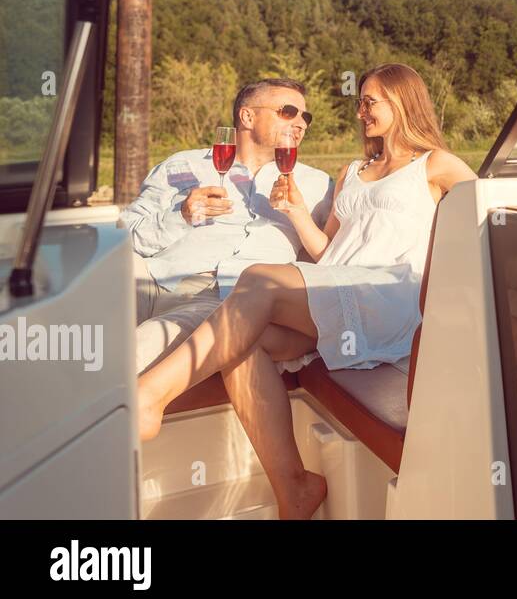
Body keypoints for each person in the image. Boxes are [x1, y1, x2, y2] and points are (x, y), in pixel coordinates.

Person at [135, 63, 477, 519]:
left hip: (388, 293)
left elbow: (488, 215)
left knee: (258, 275)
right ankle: (294, 488)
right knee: (244, 344)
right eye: (360, 102)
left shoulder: (436, 164)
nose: (360, 112)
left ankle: (149, 396)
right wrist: (297, 212)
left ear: (402, 101)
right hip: (337, 291)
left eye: (369, 101)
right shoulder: (355, 170)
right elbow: (329, 251)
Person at [120, 78, 333, 373]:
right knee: (84, 313)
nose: (301, 123)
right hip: (153, 278)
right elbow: (124, 237)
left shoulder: (317, 184)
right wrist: (180, 215)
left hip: (227, 296)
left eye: (305, 116)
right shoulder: (184, 165)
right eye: (288, 112)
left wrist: (298, 214)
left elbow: (336, 258)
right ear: (247, 116)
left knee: (130, 353)